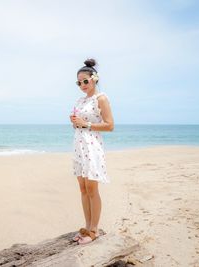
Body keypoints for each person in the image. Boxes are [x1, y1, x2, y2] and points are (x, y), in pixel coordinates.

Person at [69, 58, 114, 245]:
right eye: (78, 82)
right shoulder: (80, 100)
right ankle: (87, 226)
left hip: (92, 147)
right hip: (79, 146)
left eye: (85, 81)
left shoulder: (101, 98)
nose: (82, 85)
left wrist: (85, 123)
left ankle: (94, 230)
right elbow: (80, 125)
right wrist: (75, 122)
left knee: (92, 188)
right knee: (82, 188)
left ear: (94, 79)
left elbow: (110, 125)